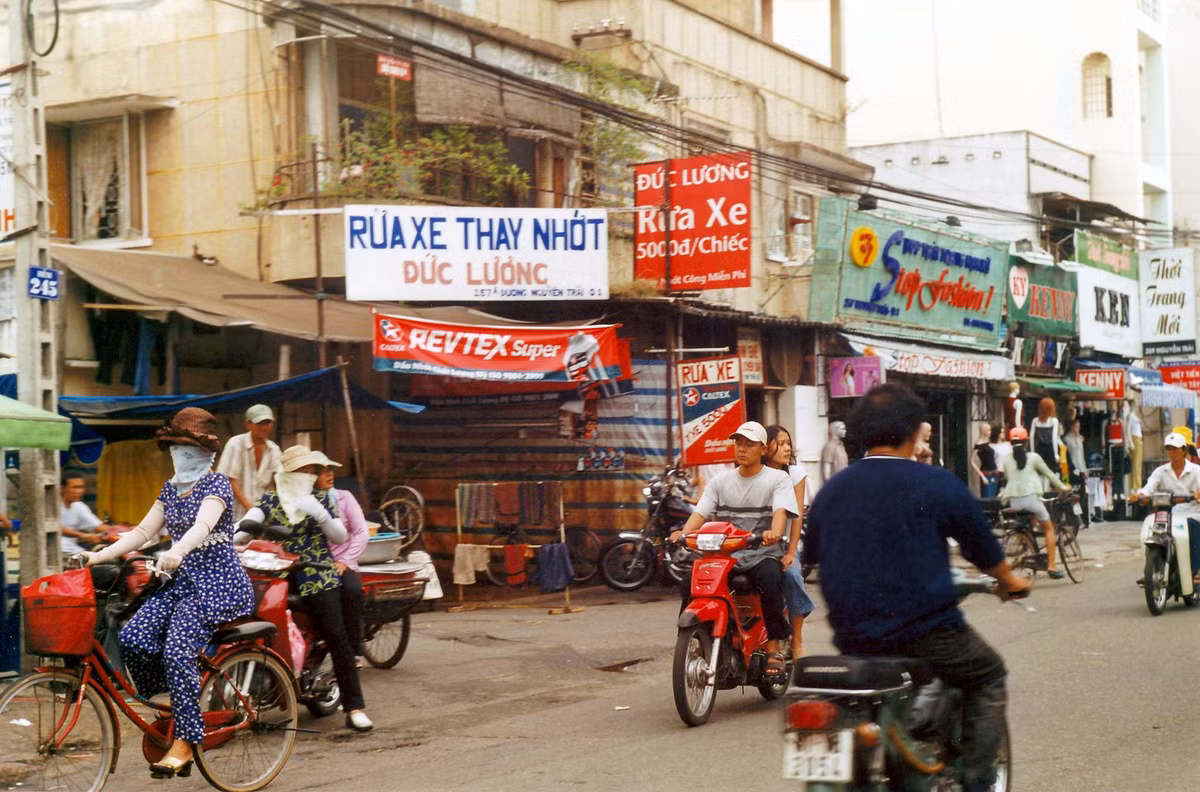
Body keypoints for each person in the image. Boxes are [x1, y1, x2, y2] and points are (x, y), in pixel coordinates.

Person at [805, 384, 1030, 792]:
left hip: (854, 640)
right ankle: (980, 782)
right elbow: (982, 546)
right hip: (927, 634)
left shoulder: (830, 492)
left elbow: (814, 553)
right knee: (989, 675)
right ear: (913, 432)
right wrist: (1010, 580)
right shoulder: (935, 483)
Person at [82, 408, 254, 778]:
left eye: (188, 447)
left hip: (217, 583)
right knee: (133, 637)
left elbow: (202, 525)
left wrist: (177, 551)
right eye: (175, 447)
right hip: (181, 583)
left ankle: (186, 742)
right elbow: (142, 533)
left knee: (177, 648)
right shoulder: (169, 489)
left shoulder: (217, 485)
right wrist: (97, 555)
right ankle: (178, 702)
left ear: (207, 453)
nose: (181, 454)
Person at [242, 445, 373, 732]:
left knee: (336, 636)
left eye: (311, 470)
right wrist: (235, 535)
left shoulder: (322, 499)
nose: (310, 474)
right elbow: (249, 523)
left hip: (315, 571)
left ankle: (354, 706)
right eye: (305, 469)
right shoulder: (271, 499)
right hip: (275, 570)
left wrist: (322, 515)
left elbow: (339, 534)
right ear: (289, 473)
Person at [669, 421, 798, 676]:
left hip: (762, 551)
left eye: (749, 444)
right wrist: (683, 534)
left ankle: (773, 647)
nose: (742, 448)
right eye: (738, 443)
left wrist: (774, 532)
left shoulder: (777, 479)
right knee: (689, 582)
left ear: (762, 449)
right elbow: (700, 514)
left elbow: (781, 513)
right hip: (725, 554)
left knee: (770, 578)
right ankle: (695, 639)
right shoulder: (720, 481)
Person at [763, 424, 815, 658]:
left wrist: (792, 552)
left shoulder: (795, 473)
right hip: (754, 543)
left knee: (792, 575)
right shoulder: (756, 470)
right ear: (766, 447)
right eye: (780, 443)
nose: (786, 448)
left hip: (784, 541)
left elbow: (796, 517)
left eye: (788, 443)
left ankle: (797, 637)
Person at [315, 456, 368, 660]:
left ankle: (354, 652)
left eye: (331, 470)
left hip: (343, 562)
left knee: (352, 592)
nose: (329, 475)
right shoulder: (305, 501)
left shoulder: (345, 497)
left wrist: (345, 561)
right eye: (322, 471)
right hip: (315, 563)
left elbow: (361, 532)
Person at [999, 426, 1070, 579]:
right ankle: (1051, 567)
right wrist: (1064, 486)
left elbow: (1008, 478)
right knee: (1049, 528)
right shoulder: (1034, 457)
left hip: (1013, 502)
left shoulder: (1007, 460)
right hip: (1031, 500)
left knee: (1029, 520)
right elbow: (1050, 474)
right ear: (1026, 442)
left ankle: (1028, 543)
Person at [1130, 432, 1200, 584]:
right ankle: (1150, 569)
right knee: (1152, 531)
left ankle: (1196, 569)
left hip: (1193, 514)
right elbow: (1148, 488)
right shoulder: (1161, 471)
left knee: (1193, 529)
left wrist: (1197, 494)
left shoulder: (1196, 470)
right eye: (1168, 448)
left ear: (1184, 450)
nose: (1171, 452)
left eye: (1175, 449)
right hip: (1170, 514)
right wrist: (1139, 495)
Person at [216, 404, 283, 520]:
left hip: (263, 514)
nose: (264, 427)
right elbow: (231, 479)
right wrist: (250, 509)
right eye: (259, 423)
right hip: (235, 513)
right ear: (248, 424)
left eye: (268, 423)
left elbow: (280, 481)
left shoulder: (274, 449)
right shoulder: (235, 443)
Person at [60, 473, 106, 560]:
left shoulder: (79, 506)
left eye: (81, 487)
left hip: (74, 549)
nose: (79, 491)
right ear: (62, 488)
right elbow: (57, 527)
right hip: (58, 549)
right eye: (75, 487)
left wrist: (117, 531)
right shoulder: (51, 505)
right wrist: (83, 535)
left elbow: (98, 526)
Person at [1064, 419, 1091, 528]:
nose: (1077, 429)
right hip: (1072, 470)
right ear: (1071, 427)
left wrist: (1084, 469)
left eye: (1079, 427)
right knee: (1074, 496)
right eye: (1076, 427)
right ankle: (1075, 520)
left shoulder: (1080, 439)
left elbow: (1081, 456)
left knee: (1083, 495)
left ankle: (1085, 520)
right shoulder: (1067, 439)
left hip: (1081, 470)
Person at [1030, 397, 1064, 479]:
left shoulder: (1035, 420)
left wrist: (1032, 452)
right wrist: (1056, 453)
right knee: (1050, 473)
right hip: (1050, 451)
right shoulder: (1053, 421)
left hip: (1039, 450)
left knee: (1040, 474)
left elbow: (1031, 438)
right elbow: (1054, 438)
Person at [971, 422, 999, 498]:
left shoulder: (987, 443)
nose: (990, 432)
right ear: (984, 431)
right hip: (986, 473)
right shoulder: (978, 444)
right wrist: (982, 476)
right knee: (988, 496)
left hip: (994, 471)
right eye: (989, 430)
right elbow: (972, 461)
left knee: (995, 495)